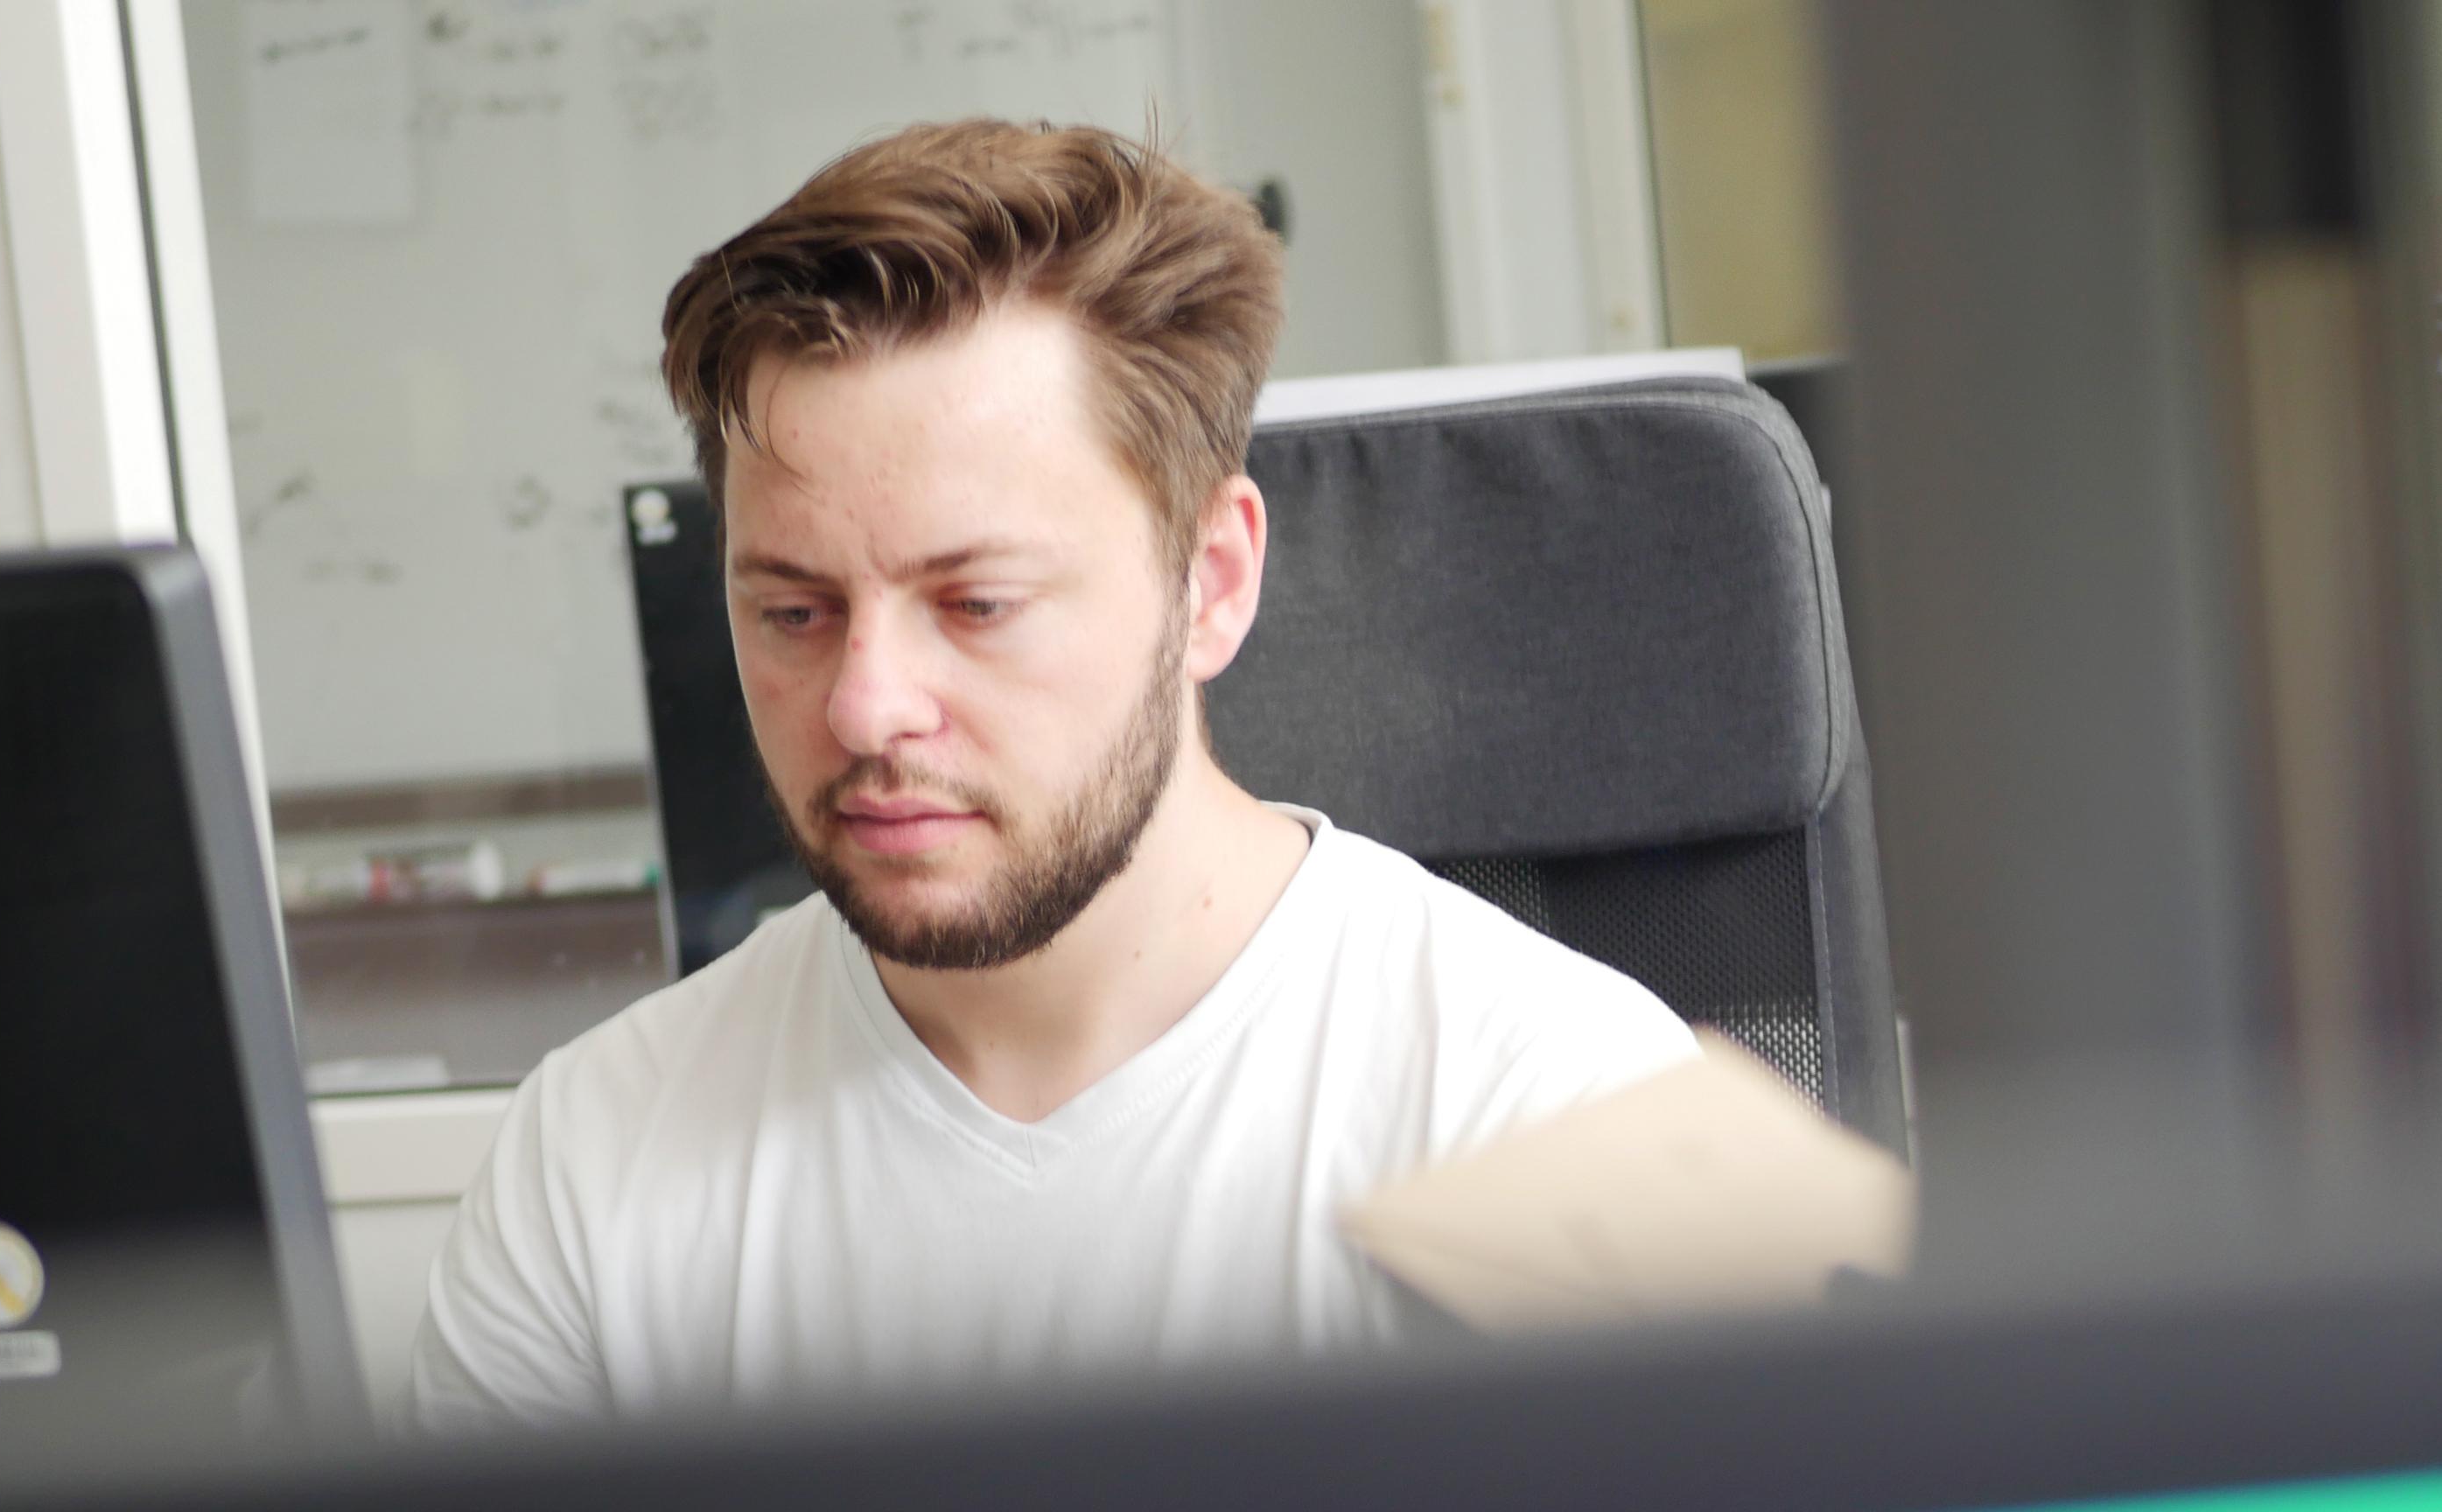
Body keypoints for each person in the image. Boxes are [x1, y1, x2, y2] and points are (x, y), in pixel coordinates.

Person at [407, 120, 1697, 1430]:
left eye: (976, 603)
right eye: (793, 613)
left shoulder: (1559, 1110)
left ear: (1214, 582)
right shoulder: (594, 1157)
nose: (864, 707)